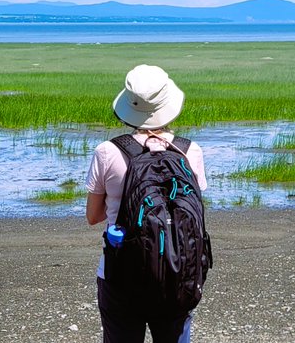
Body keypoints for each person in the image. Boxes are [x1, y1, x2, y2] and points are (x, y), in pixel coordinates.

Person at [85, 64, 208, 343]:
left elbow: (93, 216)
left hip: (120, 274)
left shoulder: (107, 152)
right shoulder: (190, 151)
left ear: (129, 106)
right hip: (180, 271)